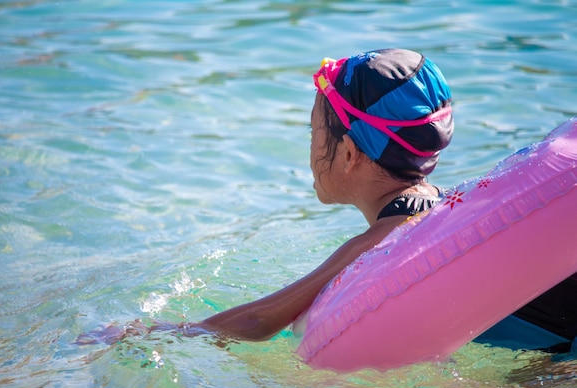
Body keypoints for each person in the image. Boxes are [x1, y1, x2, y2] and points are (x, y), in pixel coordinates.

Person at [76, 48, 454, 345]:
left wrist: (156, 333)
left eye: (314, 133)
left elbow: (260, 321)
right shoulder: (444, 204)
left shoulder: (381, 238)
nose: (309, 147)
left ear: (351, 154)